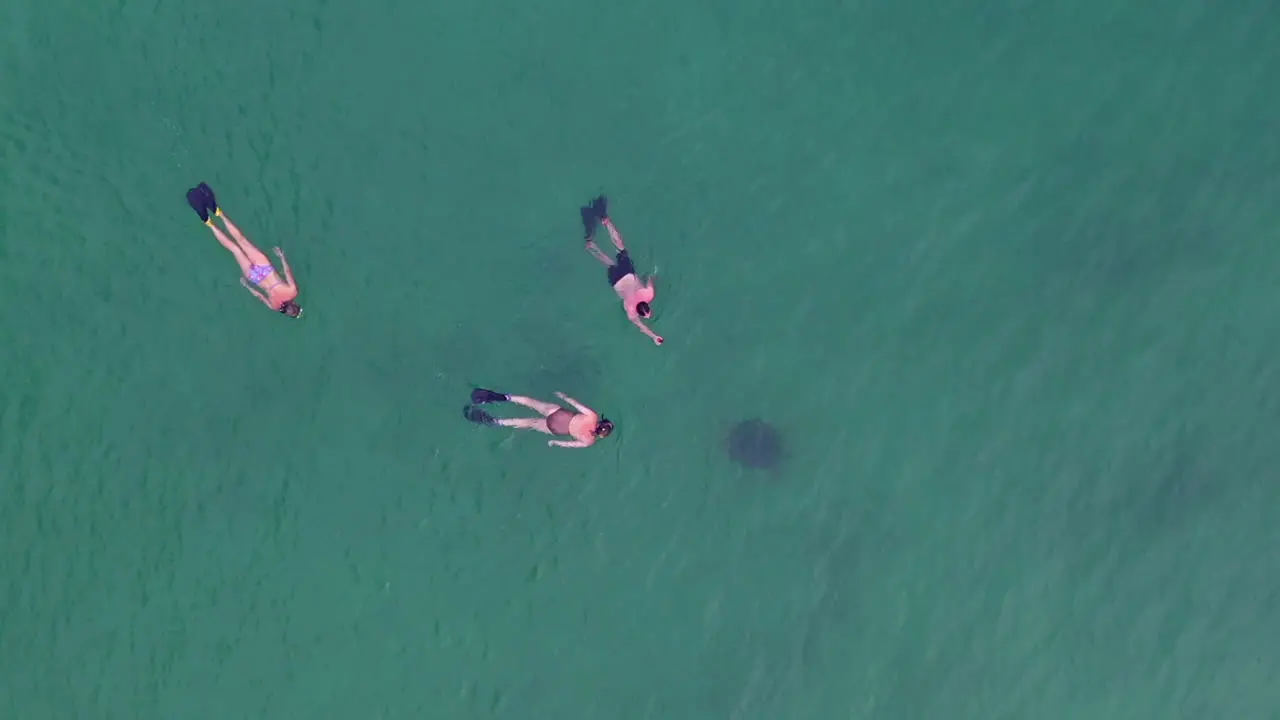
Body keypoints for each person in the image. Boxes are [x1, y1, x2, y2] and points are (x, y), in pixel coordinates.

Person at [186, 182, 303, 317]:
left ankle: (214, 217)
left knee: (239, 244)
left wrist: (281, 258)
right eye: (294, 311)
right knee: (237, 246)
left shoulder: (286, 297)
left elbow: (280, 278)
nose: (292, 310)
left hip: (262, 273)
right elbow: (263, 294)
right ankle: (212, 219)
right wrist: (248, 285)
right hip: (259, 274)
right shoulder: (282, 301)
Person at [580, 195, 662, 345]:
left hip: (628, 274)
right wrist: (654, 336)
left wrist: (654, 274)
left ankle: (605, 220)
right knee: (608, 262)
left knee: (620, 247)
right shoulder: (631, 312)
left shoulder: (647, 294)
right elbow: (641, 327)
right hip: (616, 280)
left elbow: (649, 280)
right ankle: (590, 244)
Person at [463, 388, 614, 449]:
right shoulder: (589, 441)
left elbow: (576, 404)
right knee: (526, 422)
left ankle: (502, 397)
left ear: (601, 422)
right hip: (558, 429)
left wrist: (564, 396)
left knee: (527, 401)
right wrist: (554, 442)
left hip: (559, 413)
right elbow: (570, 444)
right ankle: (497, 422)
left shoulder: (592, 416)